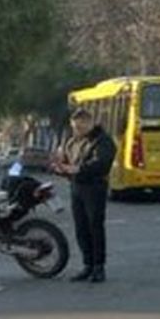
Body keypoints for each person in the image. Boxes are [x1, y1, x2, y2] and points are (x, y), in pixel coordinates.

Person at [55, 108, 117, 284]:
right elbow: (66, 161)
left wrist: (79, 169)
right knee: (81, 228)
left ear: (90, 122)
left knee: (95, 226)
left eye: (81, 127)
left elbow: (102, 163)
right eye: (75, 127)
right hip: (77, 187)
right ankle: (87, 265)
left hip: (95, 187)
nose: (78, 131)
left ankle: (99, 267)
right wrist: (60, 168)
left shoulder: (102, 140)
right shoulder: (72, 141)